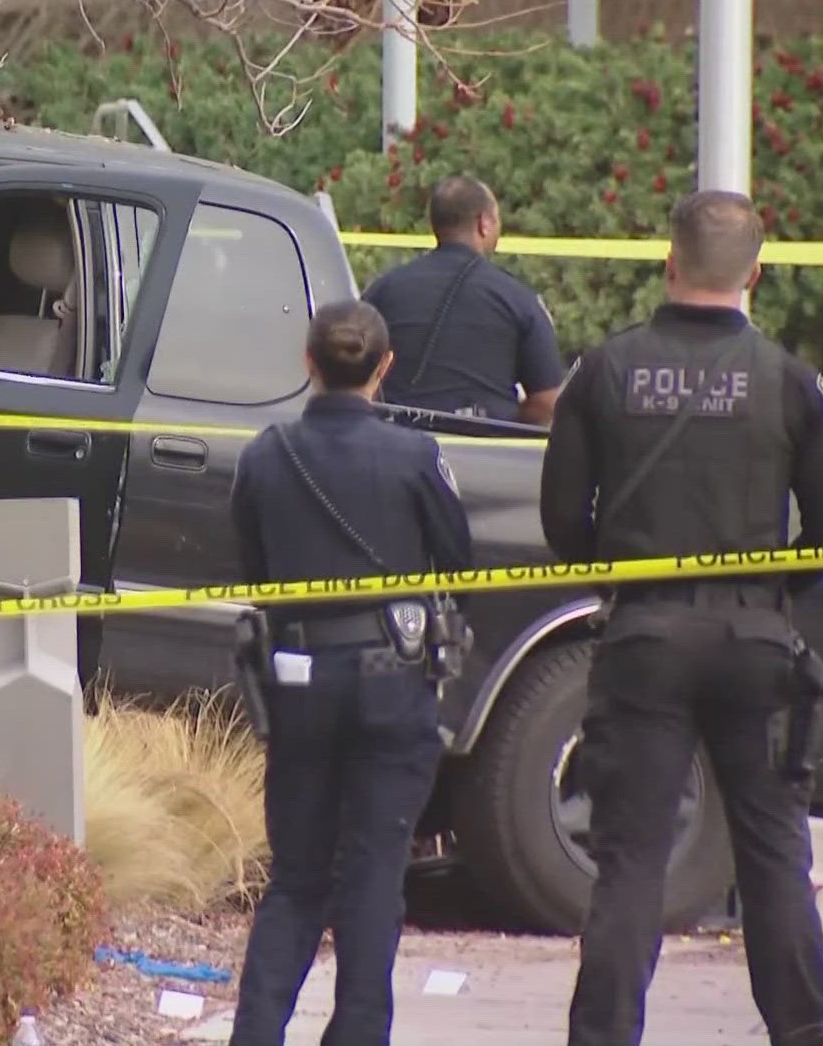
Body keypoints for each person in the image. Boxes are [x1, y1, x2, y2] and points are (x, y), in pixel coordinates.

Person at [539, 189, 823, 1046]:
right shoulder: (792, 383)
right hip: (755, 641)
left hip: (643, 640)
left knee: (632, 859)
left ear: (669, 260)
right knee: (772, 851)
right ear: (755, 272)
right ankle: (805, 1033)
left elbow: (562, 521)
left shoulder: (603, 372)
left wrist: (623, 575)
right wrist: (766, 591)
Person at [227, 299, 474, 1045]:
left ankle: (257, 1033)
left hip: (299, 680)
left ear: (309, 363)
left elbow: (254, 570)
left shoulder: (265, 455)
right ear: (384, 367)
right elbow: (457, 560)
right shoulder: (415, 456)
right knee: (373, 879)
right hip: (391, 682)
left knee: (298, 879)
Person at [361, 175, 567, 426]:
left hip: (394, 444)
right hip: (485, 453)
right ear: (484, 224)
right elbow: (548, 403)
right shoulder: (517, 298)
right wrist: (506, 425)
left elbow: (352, 379)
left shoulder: (383, 289)